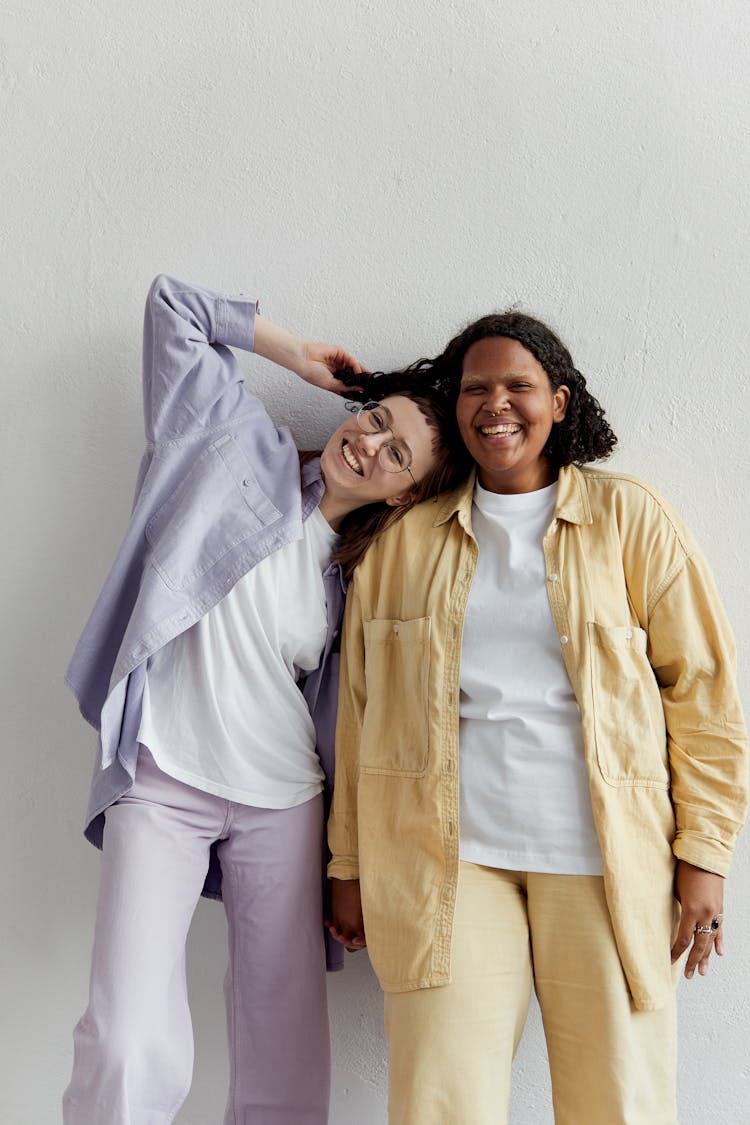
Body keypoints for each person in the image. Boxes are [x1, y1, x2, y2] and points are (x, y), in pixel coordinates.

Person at [63, 274, 467, 1125]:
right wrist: (293, 352)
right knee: (129, 1037)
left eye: (398, 454)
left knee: (284, 1059)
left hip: (283, 801)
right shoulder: (230, 440)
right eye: (378, 419)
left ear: (405, 494)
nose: (372, 443)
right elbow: (172, 307)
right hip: (163, 776)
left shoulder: (362, 578)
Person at [328, 311, 749, 1125]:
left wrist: (706, 851)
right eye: (477, 388)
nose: (497, 404)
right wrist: (347, 863)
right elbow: (359, 711)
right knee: (438, 1103)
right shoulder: (406, 540)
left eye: (518, 386)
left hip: (605, 861)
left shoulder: (631, 520)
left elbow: (704, 689)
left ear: (558, 401)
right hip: (446, 862)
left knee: (617, 1103)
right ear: (456, 409)